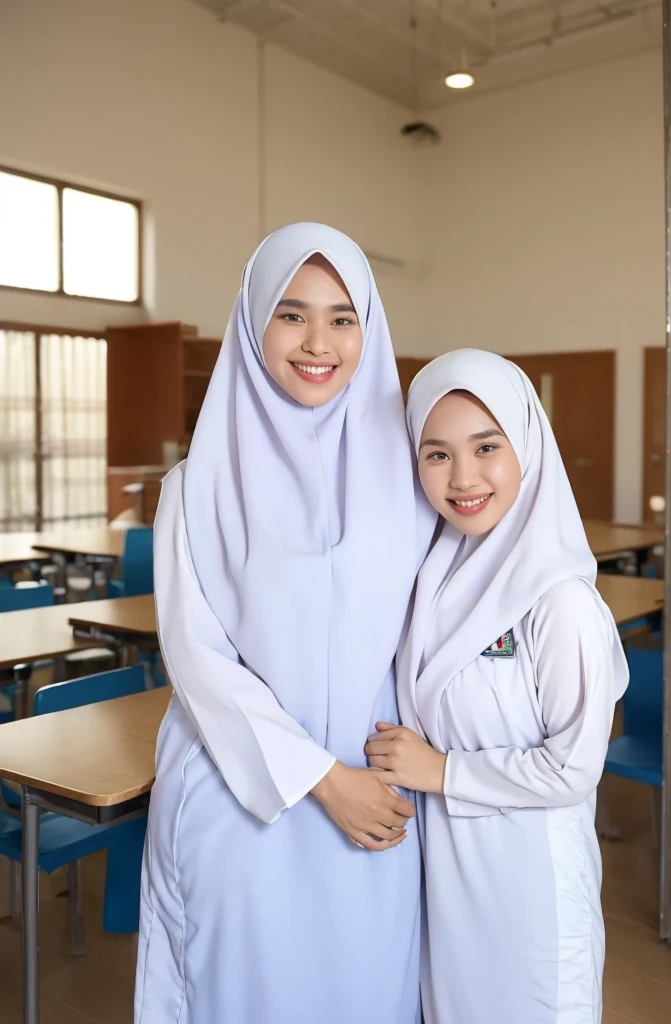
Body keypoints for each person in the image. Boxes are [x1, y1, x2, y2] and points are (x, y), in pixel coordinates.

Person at [134, 223, 435, 1023]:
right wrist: (322, 780)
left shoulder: (410, 478)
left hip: (381, 805)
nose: (318, 341)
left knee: (371, 995)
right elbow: (198, 659)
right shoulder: (194, 487)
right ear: (252, 320)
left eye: (342, 317)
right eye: (291, 313)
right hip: (248, 804)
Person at [365, 348, 628, 1024]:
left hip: (528, 883)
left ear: (528, 447)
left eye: (487, 446)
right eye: (437, 454)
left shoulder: (559, 599)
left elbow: (573, 769)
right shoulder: (432, 578)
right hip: (446, 879)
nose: (464, 477)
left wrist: (441, 771)